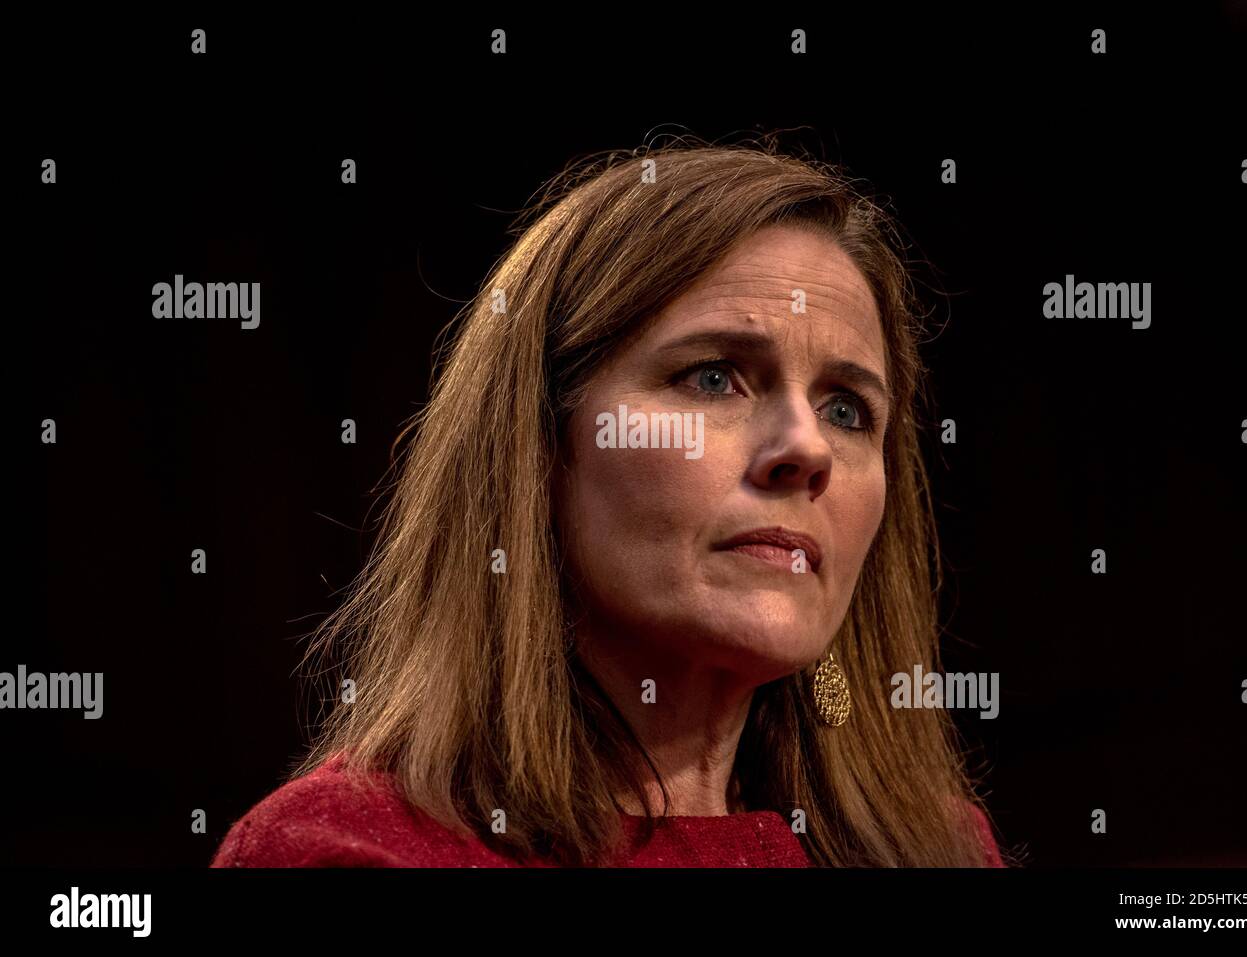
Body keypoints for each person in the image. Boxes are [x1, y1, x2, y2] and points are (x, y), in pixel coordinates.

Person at [212, 140, 1008, 868]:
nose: (808, 450)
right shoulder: (340, 851)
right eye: (713, 377)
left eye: (847, 409)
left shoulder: (941, 847)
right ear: (540, 444)